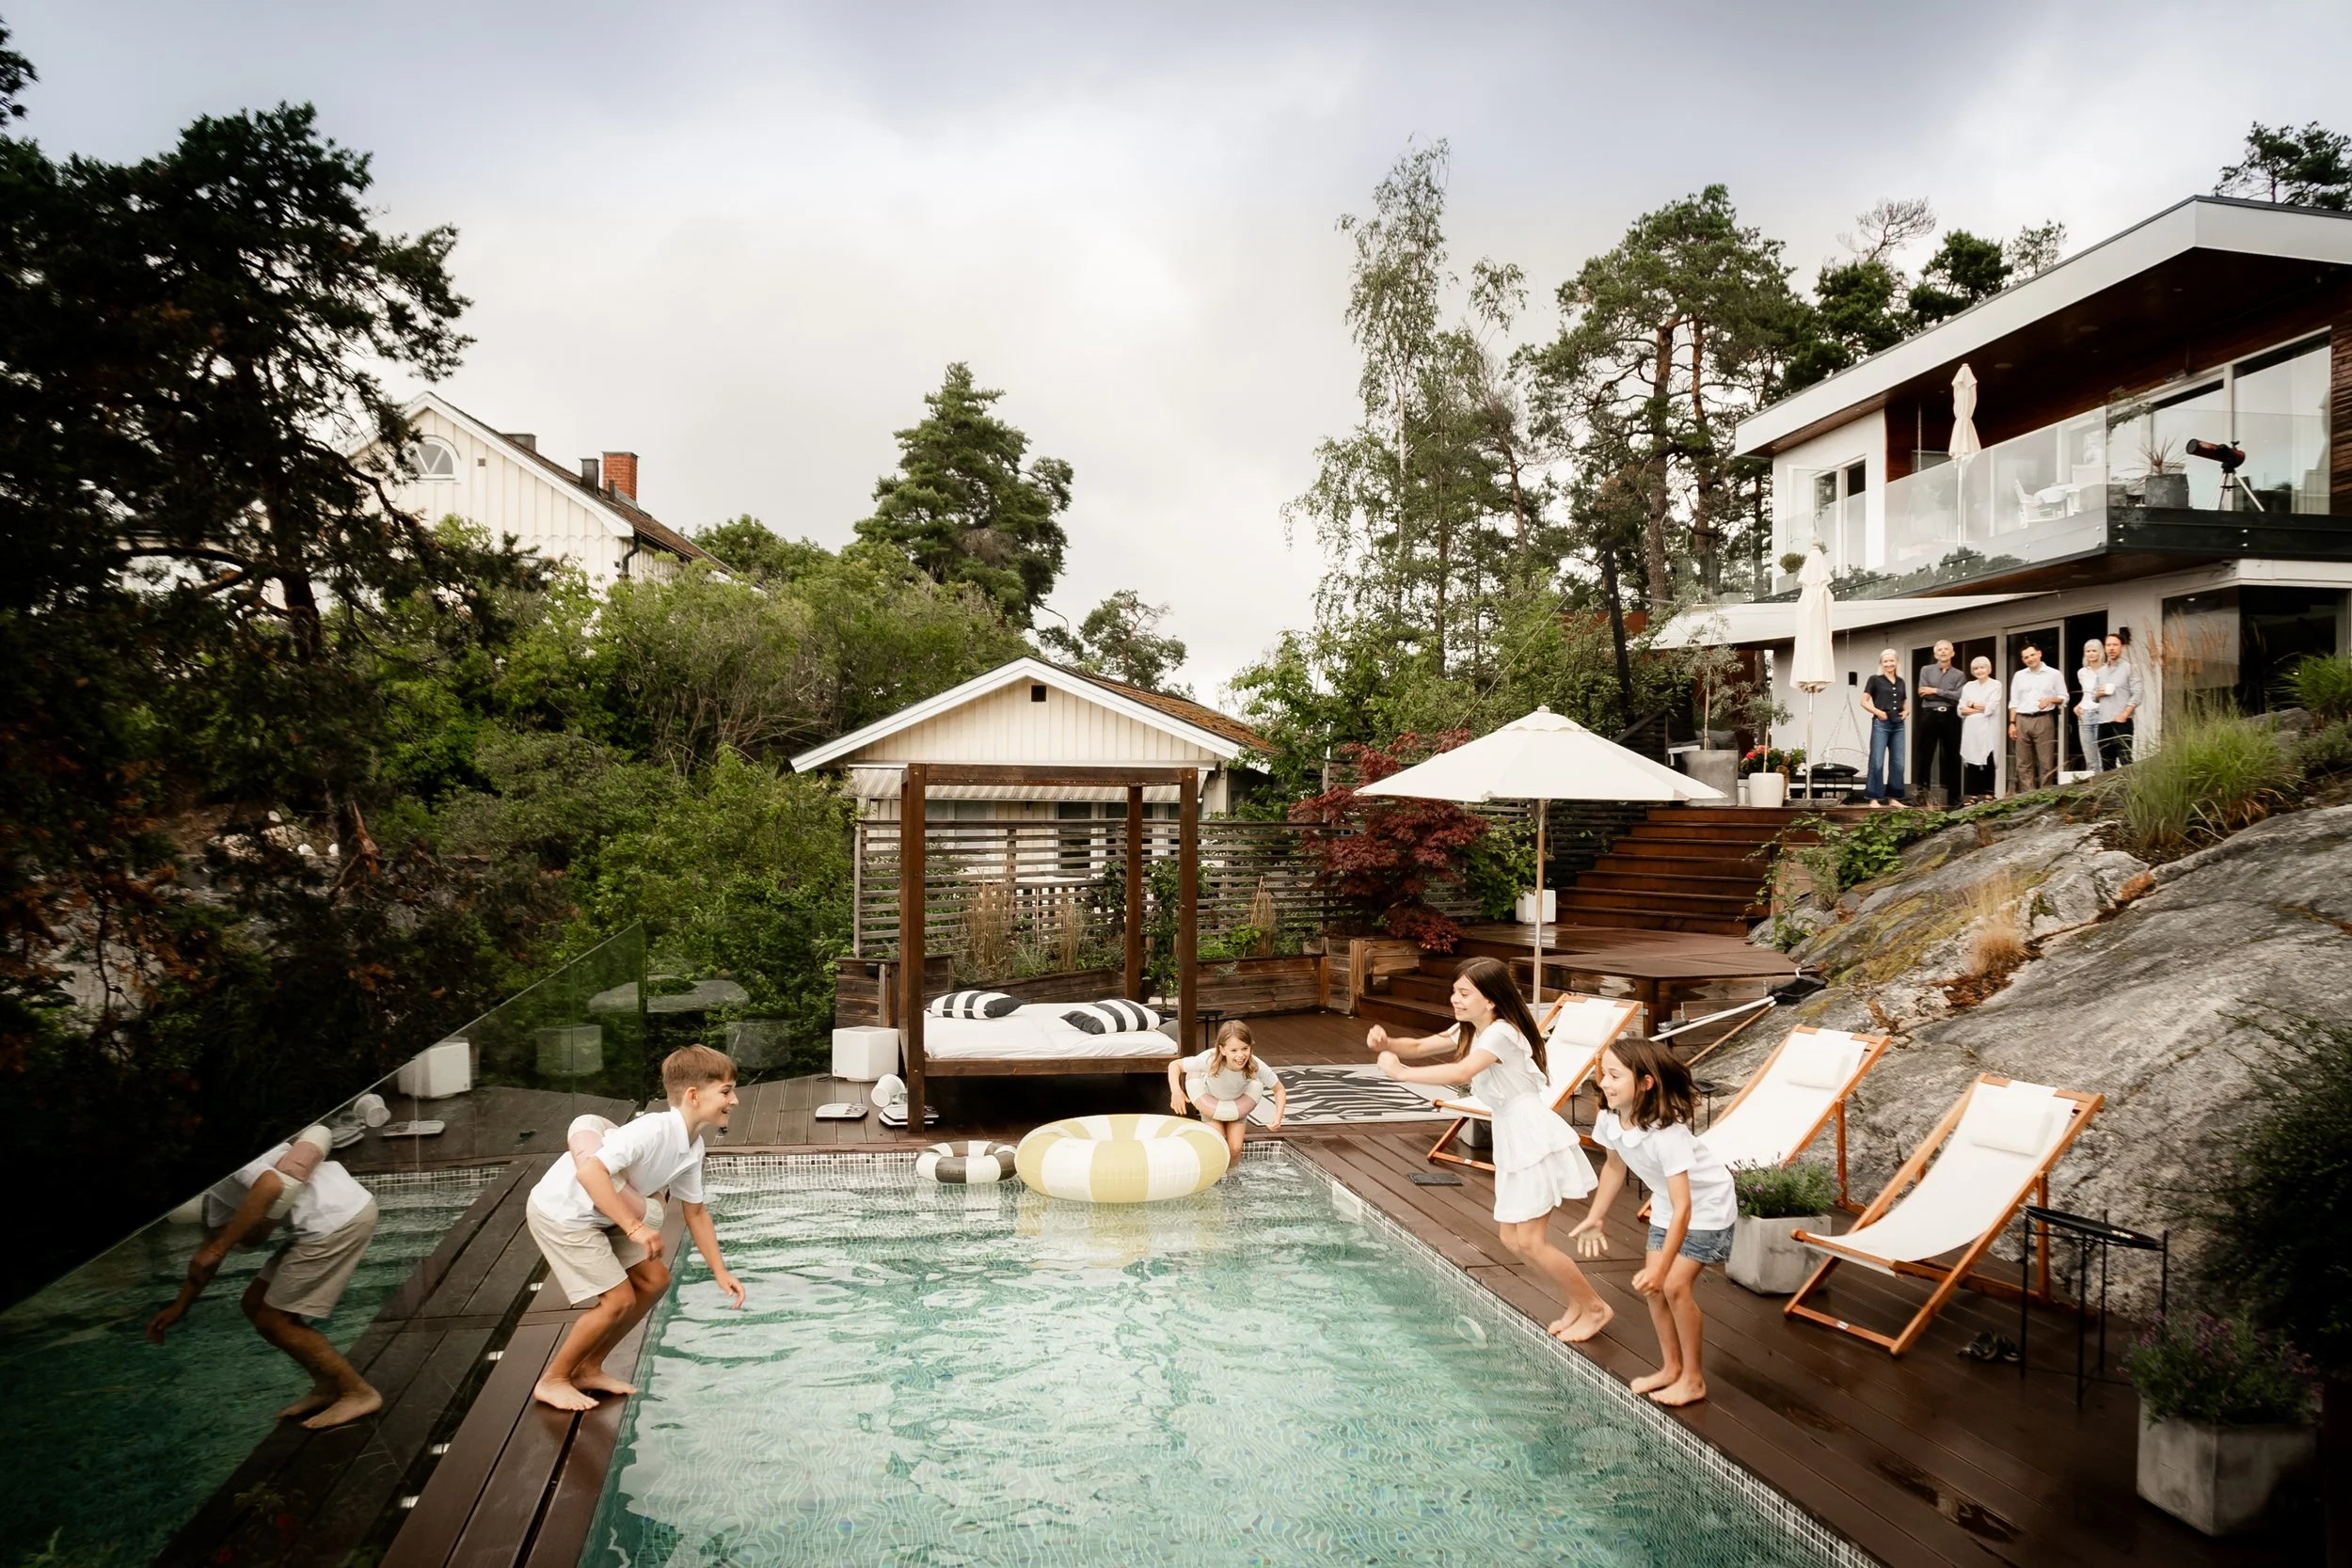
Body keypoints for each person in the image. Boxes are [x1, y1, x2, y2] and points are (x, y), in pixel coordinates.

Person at [1371, 957, 1612, 1344]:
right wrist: (1388, 1044)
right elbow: (1417, 1045)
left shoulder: (1500, 1033)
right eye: (1455, 991)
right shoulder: (1472, 1027)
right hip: (1513, 1136)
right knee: (1513, 1240)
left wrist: (1401, 1074)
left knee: (1530, 1240)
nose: (1455, 999)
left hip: (1532, 1134)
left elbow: (1462, 1073)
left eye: (1465, 993)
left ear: (1492, 1000)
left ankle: (1595, 1306)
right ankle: (1579, 1302)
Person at [527, 1044, 748, 1411]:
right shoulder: (651, 1130)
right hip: (565, 1212)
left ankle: (589, 1368)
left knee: (655, 1281)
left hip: (603, 1216)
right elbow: (589, 1171)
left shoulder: (693, 1147)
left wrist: (720, 1271)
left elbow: (696, 1213)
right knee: (618, 1300)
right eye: (726, 1091)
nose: (735, 1100)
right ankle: (553, 1379)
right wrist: (634, 1227)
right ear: (693, 1096)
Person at [148, 1125, 385, 1429]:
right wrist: (181, 1305)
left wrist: (220, 1249)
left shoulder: (222, 1151)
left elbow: (270, 1185)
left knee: (274, 1319)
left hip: (335, 1218)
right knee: (254, 1303)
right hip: (323, 1217)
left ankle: (358, 1392)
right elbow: (212, 1248)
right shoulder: (214, 1185)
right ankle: (328, 1386)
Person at [1568, 1039, 1735, 1407]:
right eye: (1603, 1074)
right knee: (1653, 1290)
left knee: (1674, 1286)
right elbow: (1614, 1165)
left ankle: (1693, 1379)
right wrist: (1596, 1217)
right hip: (1666, 1204)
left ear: (1645, 1083)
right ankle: (1671, 1368)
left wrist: (1662, 1268)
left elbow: (1685, 1207)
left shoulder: (1667, 1134)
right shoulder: (1609, 1116)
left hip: (1706, 1208)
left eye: (1614, 1075)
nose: (1604, 1083)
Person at [1168, 1019, 1287, 1160]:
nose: (1240, 1055)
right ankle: (1217, 1178)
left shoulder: (1256, 1067)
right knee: (1219, 1145)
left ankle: (1232, 1179)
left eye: (1245, 1048)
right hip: (1210, 1104)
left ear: (1251, 1047)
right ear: (1222, 1050)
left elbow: (1279, 1089)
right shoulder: (1209, 1061)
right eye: (1234, 1050)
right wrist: (1176, 1091)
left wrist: (1278, 1117)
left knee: (1235, 1149)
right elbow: (1175, 1065)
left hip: (1237, 1106)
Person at [2008, 641, 2066, 791]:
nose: (2030, 659)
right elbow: (2014, 701)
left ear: (2039, 654)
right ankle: (2028, 796)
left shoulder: (2054, 674)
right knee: (2023, 762)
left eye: (2032, 655)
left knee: (2046, 761)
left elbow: (2064, 697)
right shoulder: (2019, 676)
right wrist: (2012, 723)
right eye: (2026, 657)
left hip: (2043, 719)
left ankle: (2045, 794)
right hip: (2021, 719)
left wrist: (2050, 699)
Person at [1915, 640, 1967, 809]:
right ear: (1935, 654)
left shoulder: (1959, 675)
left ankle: (1954, 797)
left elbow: (1960, 696)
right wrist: (1946, 694)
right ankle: (1922, 794)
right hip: (1930, 714)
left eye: (1946, 649)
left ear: (1953, 653)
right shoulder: (1926, 670)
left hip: (1950, 716)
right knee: (1925, 755)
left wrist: (1936, 691)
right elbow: (1922, 692)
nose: (1943, 652)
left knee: (1952, 756)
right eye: (1940, 650)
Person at [1861, 647, 1910, 806]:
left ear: (1897, 662)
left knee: (1898, 762)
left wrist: (1907, 711)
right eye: (1886, 661)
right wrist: (1878, 712)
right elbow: (1863, 702)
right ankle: (1874, 798)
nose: (1889, 664)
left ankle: (1894, 798)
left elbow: (1904, 701)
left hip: (1898, 725)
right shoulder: (1875, 679)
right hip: (1881, 723)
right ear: (1881, 663)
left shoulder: (1901, 681)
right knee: (1877, 761)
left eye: (1891, 661)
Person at [1958, 655, 2003, 800]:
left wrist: (1971, 705)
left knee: (1988, 758)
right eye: (1976, 668)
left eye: (1982, 667)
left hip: (1988, 728)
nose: (1979, 671)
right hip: (1971, 729)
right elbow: (1960, 710)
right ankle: (1972, 795)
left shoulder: (1996, 684)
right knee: (1972, 760)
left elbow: (1990, 708)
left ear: (1988, 669)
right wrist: (1979, 708)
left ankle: (1989, 793)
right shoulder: (1968, 686)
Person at [2099, 629, 2140, 768]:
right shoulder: (2101, 671)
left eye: (2115, 645)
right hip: (2104, 722)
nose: (2111, 648)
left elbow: (2138, 693)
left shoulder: (2130, 668)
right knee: (2106, 762)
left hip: (2122, 722)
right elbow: (2093, 695)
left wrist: (2125, 714)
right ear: (2105, 648)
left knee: (2125, 761)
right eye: (2108, 645)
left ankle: (2130, 789)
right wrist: (2098, 694)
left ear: (2121, 648)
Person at [2074, 638, 2108, 774]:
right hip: (2085, 714)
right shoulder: (2082, 672)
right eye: (2088, 651)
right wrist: (2078, 705)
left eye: (2094, 650)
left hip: (2101, 713)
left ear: (2100, 652)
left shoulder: (2107, 670)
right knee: (2089, 755)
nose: (2091, 654)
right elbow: (2086, 694)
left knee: (2103, 754)